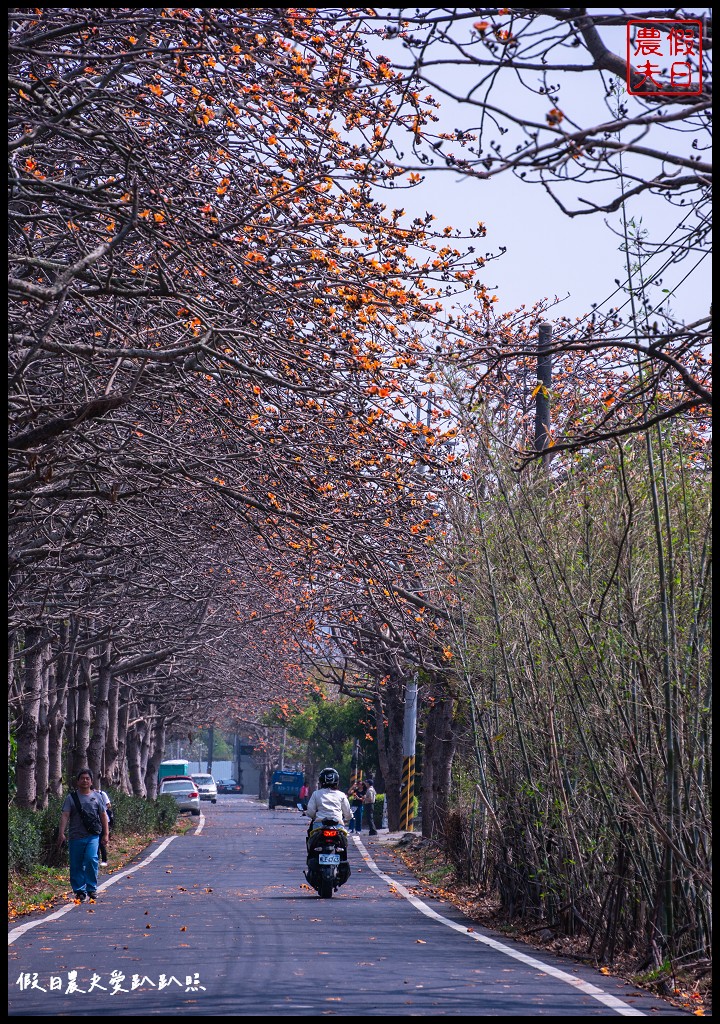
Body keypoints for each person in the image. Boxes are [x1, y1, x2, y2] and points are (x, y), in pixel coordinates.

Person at [55, 768, 109, 902]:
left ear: (91, 781)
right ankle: (79, 890)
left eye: (87, 778)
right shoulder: (71, 798)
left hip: (92, 836)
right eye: (82, 778)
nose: (85, 781)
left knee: (91, 859)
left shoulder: (97, 797)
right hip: (75, 837)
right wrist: (61, 833)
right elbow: (65, 815)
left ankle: (91, 888)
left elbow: (103, 815)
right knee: (76, 864)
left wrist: (106, 834)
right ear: (78, 781)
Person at [305, 767, 352, 835]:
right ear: (337, 781)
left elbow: (311, 812)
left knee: (311, 838)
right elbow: (347, 813)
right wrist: (348, 817)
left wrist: (310, 814)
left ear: (321, 780)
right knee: (344, 842)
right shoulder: (341, 795)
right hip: (338, 826)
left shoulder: (316, 794)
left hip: (319, 825)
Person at [93, 781, 113, 866]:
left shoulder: (101, 794)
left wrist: (101, 810)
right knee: (94, 842)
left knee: (101, 841)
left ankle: (104, 860)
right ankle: (96, 860)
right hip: (93, 821)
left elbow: (109, 805)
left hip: (103, 820)